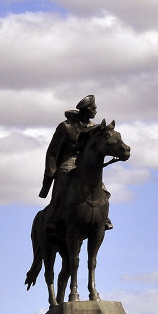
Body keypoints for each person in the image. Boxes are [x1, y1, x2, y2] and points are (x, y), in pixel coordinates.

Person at [39, 95, 113, 232]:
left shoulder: (94, 128)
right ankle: (54, 217)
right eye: (93, 109)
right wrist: (51, 171)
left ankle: (104, 218)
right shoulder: (66, 126)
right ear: (86, 110)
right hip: (69, 160)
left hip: (86, 163)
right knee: (63, 178)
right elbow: (52, 152)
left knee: (101, 187)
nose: (96, 111)